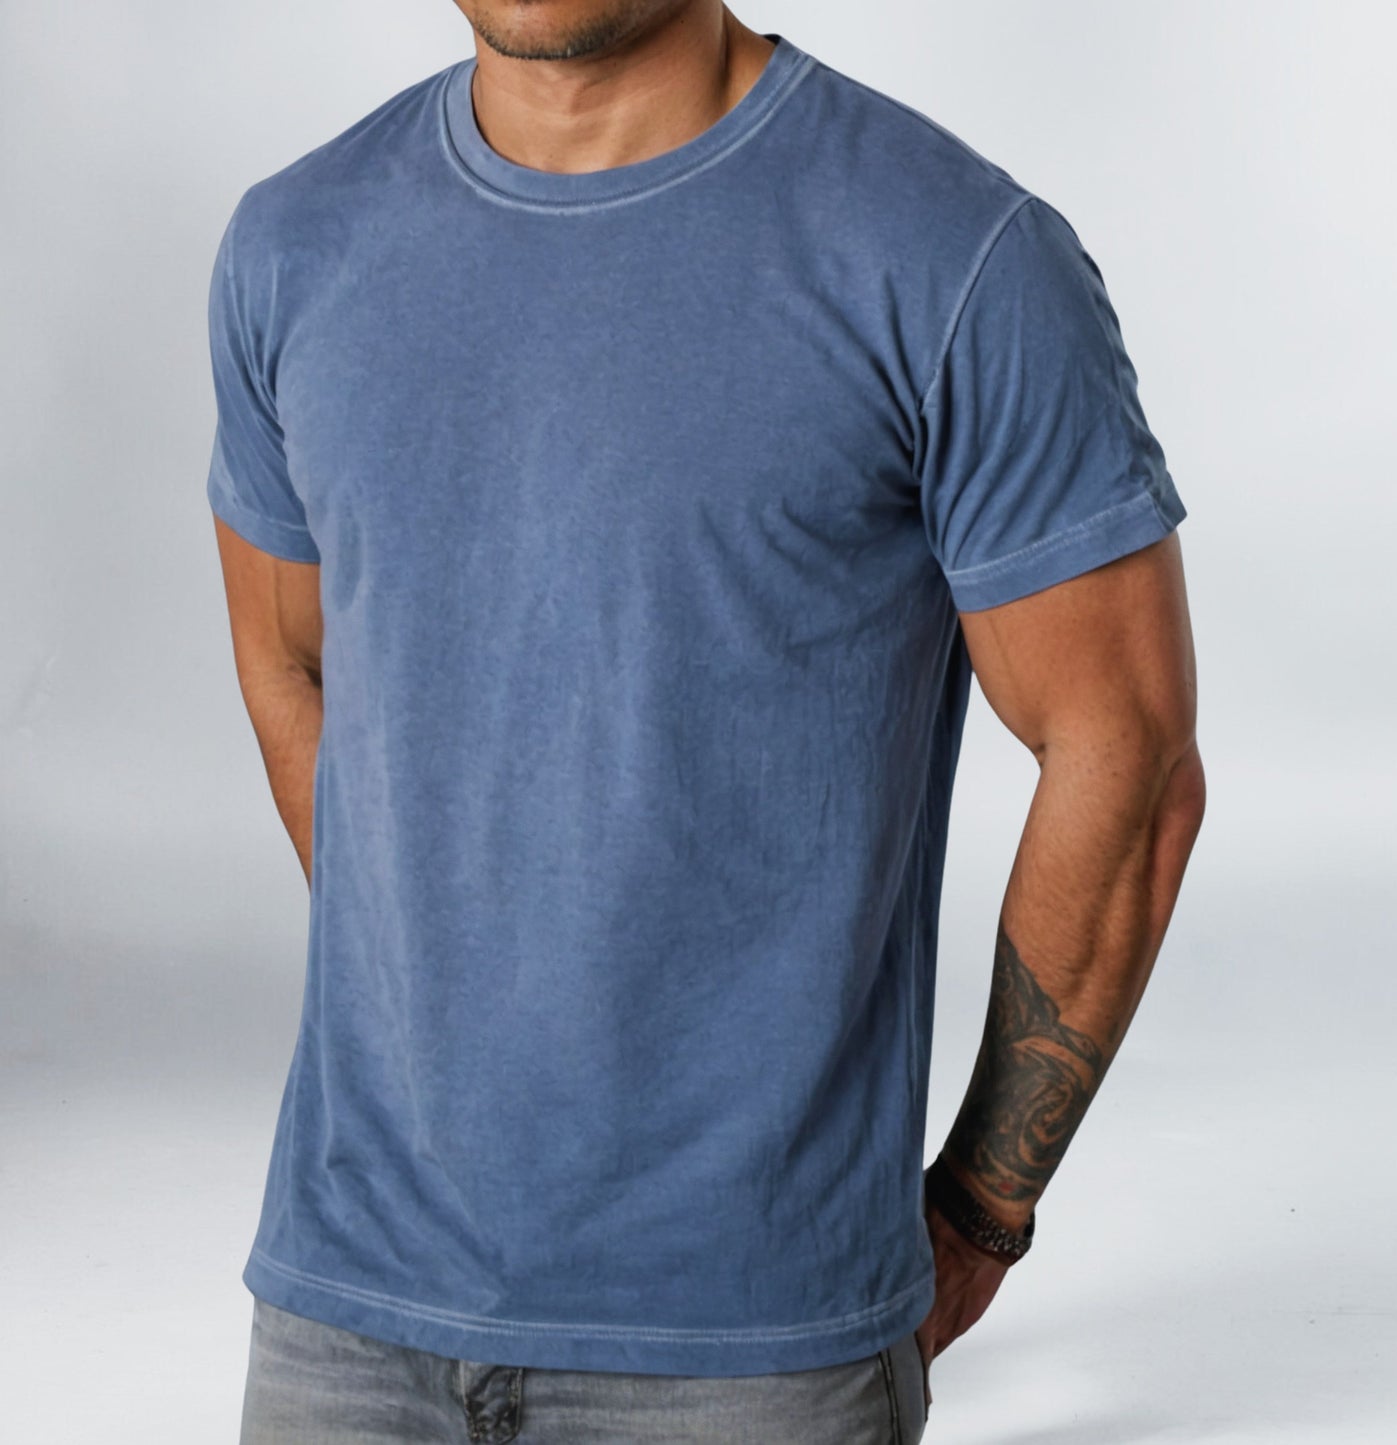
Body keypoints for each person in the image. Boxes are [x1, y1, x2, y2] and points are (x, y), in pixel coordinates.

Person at [206, 2, 1205, 1440]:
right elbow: (291, 665)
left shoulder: (953, 256)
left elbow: (1130, 760)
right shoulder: (294, 245)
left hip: (752, 1346)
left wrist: (983, 1207)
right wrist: (454, 986)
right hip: (346, 1308)